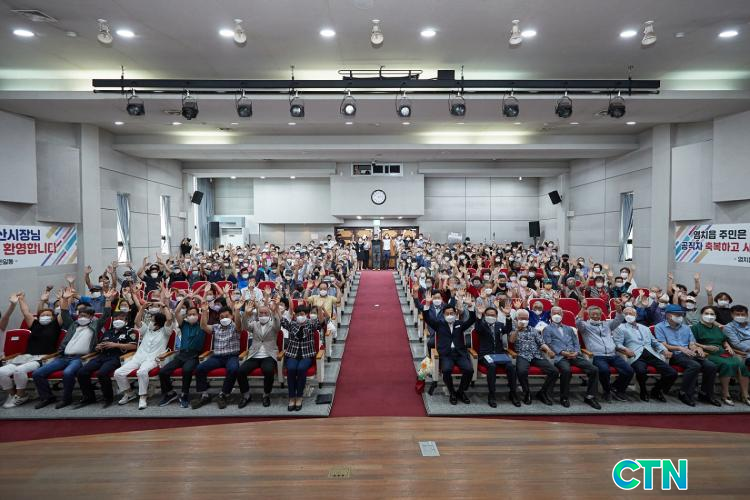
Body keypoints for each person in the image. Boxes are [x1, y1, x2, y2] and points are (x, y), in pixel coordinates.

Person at [33, 287, 114, 409]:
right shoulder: (73, 325)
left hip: (80, 358)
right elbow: (65, 313)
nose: (81, 318)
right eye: (80, 315)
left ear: (91, 317)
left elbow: (106, 315)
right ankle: (47, 397)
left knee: (68, 373)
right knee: (37, 373)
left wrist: (107, 299)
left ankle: (66, 399)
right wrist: (65, 299)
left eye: (85, 316)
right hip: (63, 357)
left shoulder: (95, 325)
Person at [113, 293, 174, 410]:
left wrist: (163, 306)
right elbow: (137, 321)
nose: (150, 321)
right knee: (118, 373)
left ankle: (143, 397)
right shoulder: (147, 330)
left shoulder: (166, 332)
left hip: (153, 359)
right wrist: (142, 308)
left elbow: (169, 319)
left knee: (142, 372)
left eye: (152, 320)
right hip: (138, 357)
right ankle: (129, 393)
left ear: (158, 323)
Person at [1, 292, 61, 408]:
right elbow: (25, 312)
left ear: (53, 317)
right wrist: (21, 299)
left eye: (48, 315)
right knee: (1, 372)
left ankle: (21, 395)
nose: (45, 316)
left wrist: (63, 298)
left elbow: (63, 311)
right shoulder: (35, 324)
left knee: (19, 370)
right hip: (26, 356)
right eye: (42, 315)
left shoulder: (55, 325)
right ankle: (12, 394)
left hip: (44, 357)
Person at [654, 304, 720, 407]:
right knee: (694, 365)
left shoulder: (685, 327)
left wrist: (697, 348)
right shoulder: (659, 327)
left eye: (681, 314)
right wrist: (679, 348)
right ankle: (684, 393)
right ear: (668, 315)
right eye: (677, 315)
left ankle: (706, 393)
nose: (680, 317)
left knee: (711, 366)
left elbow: (691, 343)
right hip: (674, 354)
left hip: (689, 353)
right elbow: (663, 344)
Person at [419, 291, 475, 405]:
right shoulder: (439, 324)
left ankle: (460, 391)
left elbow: (472, 320)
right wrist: (427, 305)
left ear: (455, 314)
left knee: (469, 370)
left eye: (451, 313)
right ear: (444, 315)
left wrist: (470, 306)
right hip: (446, 354)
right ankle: (452, 392)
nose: (450, 315)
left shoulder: (459, 324)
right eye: (447, 313)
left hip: (460, 354)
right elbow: (427, 318)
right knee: (446, 370)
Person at [74, 309, 137, 408]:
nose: (118, 320)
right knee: (81, 372)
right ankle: (89, 397)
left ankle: (108, 398)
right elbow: (99, 344)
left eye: (121, 318)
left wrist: (115, 345)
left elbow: (134, 346)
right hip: (101, 356)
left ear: (126, 320)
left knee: (102, 373)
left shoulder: (130, 331)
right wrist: (98, 347)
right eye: (116, 318)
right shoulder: (108, 332)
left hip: (116, 357)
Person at [613, 306, 677, 402]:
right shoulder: (620, 328)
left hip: (651, 353)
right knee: (641, 371)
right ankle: (643, 391)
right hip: (635, 354)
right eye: (626, 314)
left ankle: (656, 390)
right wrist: (625, 349)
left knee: (672, 373)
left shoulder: (645, 328)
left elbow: (654, 342)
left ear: (636, 315)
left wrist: (664, 350)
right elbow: (617, 343)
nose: (628, 315)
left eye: (631, 313)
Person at [542, 307, 601, 409]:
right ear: (551, 315)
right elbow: (549, 343)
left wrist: (576, 352)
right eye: (554, 313)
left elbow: (576, 342)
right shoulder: (547, 329)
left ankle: (590, 396)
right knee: (566, 371)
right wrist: (562, 352)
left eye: (559, 313)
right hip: (560, 356)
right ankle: (564, 397)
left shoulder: (569, 328)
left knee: (594, 369)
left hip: (574, 355)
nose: (557, 315)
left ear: (562, 315)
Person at [691, 306, 750, 406]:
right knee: (727, 364)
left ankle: (745, 395)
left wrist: (727, 346)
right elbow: (691, 342)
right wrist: (705, 346)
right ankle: (725, 393)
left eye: (712, 314)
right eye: (706, 313)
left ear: (715, 316)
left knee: (741, 364)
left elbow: (723, 340)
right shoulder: (695, 328)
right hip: (707, 353)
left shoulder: (717, 328)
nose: (709, 316)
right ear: (701, 315)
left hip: (721, 351)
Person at [191, 301, 243, 409]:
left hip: (231, 356)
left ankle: (223, 394)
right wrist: (204, 312)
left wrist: (237, 310)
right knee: (199, 368)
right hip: (217, 357)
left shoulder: (235, 326)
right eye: (221, 317)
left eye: (227, 316)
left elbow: (239, 325)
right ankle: (204, 395)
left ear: (231, 316)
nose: (224, 318)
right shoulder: (216, 327)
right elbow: (203, 326)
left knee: (233, 369)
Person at [577, 306, 633, 402]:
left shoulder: (607, 324)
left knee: (629, 371)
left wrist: (619, 309)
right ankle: (607, 391)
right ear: (589, 315)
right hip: (598, 356)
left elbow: (619, 319)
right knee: (604, 371)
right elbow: (578, 322)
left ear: (601, 315)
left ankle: (617, 389)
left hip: (613, 355)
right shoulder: (585, 326)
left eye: (598, 314)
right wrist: (583, 308)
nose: (595, 316)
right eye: (593, 314)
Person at [157, 301, 206, 408]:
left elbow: (205, 313)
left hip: (194, 356)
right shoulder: (184, 325)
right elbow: (176, 312)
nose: (192, 316)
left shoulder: (202, 325)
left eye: (194, 314)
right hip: (181, 354)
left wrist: (202, 305)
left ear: (198, 315)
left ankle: (185, 394)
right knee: (163, 372)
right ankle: (170, 393)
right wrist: (184, 298)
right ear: (186, 316)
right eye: (189, 314)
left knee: (187, 370)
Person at [281, 301, 326, 411]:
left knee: (301, 369)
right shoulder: (292, 324)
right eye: (297, 314)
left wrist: (320, 309)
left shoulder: (311, 323)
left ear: (306, 314)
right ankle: (292, 397)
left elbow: (321, 323)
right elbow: (281, 320)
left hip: (307, 354)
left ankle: (299, 396)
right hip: (292, 354)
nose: (300, 316)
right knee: (291, 369)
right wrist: (277, 309)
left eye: (302, 314)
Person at [474, 302, 520, 408]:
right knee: (492, 366)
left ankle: (513, 393)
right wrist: (479, 316)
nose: (491, 317)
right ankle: (492, 394)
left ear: (496, 316)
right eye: (488, 315)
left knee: (511, 367)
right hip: (486, 355)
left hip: (499, 354)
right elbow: (477, 329)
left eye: (493, 315)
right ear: (485, 316)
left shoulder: (499, 325)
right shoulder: (482, 324)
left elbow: (508, 329)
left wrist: (508, 316)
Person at [237, 300, 281, 408]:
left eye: (266, 313)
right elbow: (245, 326)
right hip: (254, 354)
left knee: (268, 371)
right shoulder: (255, 324)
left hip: (269, 355)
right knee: (240, 371)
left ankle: (266, 395)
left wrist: (274, 312)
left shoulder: (273, 324)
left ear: (269, 314)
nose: (263, 315)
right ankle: (246, 395)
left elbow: (278, 325)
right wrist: (246, 314)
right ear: (258, 314)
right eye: (261, 313)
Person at [510, 309, 558, 406]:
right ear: (516, 319)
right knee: (521, 371)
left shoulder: (533, 330)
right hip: (522, 355)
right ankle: (526, 392)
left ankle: (543, 392)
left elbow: (541, 343)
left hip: (536, 355)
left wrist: (548, 350)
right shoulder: (513, 329)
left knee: (554, 371)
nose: (524, 320)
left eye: (526, 319)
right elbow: (511, 340)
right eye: (521, 318)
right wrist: (517, 329)